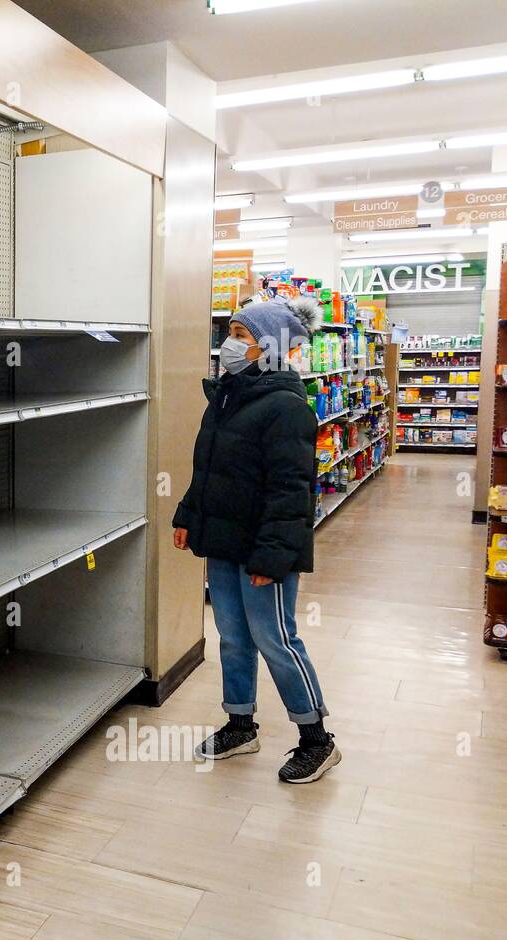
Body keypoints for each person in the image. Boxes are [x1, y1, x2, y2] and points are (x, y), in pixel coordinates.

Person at [172, 294, 340, 784]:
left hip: (264, 549)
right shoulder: (226, 397)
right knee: (233, 638)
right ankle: (240, 724)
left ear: (269, 346)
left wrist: (272, 556)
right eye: (230, 333)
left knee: (276, 639)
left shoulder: (287, 408)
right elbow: (208, 471)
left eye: (241, 336)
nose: (229, 343)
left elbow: (291, 493)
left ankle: (317, 740)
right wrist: (187, 514)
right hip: (223, 541)